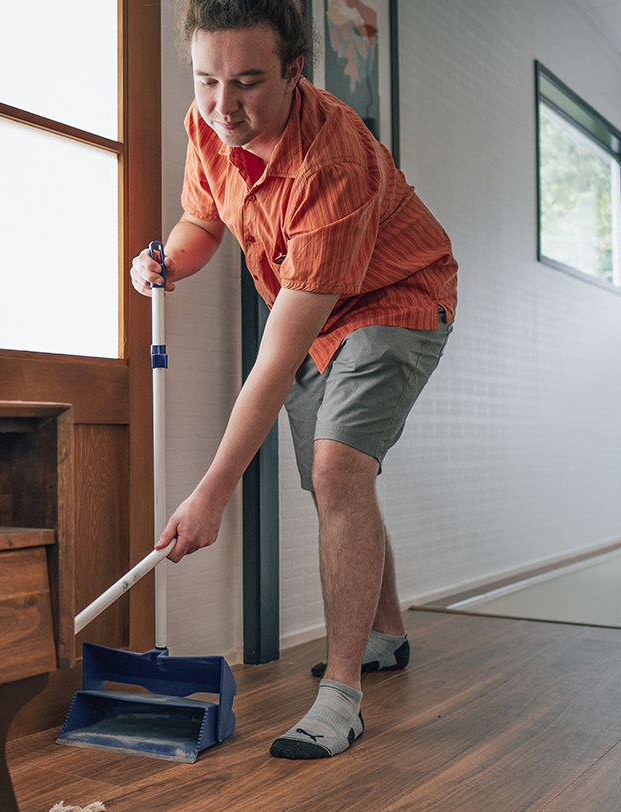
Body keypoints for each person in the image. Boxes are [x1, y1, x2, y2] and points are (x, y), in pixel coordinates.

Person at [130, 0, 457, 760]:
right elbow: (202, 220)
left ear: (295, 71)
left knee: (337, 466)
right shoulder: (207, 122)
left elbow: (275, 362)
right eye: (208, 81)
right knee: (334, 483)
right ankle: (387, 635)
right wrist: (168, 262)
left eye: (246, 83)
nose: (223, 105)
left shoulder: (331, 164)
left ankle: (342, 696)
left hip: (397, 297)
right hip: (315, 304)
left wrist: (211, 493)